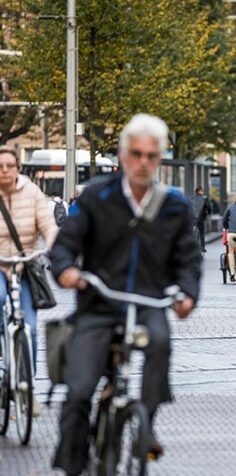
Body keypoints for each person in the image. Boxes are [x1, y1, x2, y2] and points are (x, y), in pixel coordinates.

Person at [51, 114, 201, 475]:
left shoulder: (174, 205)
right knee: (78, 391)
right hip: (99, 304)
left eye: (151, 156)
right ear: (122, 155)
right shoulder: (96, 196)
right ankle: (73, 463)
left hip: (148, 302)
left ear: (160, 159)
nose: (143, 162)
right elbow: (65, 243)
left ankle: (145, 423)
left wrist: (187, 295)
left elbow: (188, 259)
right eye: (136, 154)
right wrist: (66, 270)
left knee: (160, 343)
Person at [0, 145, 57, 417]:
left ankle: (27, 388)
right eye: (0, 166)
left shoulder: (32, 193)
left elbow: (48, 225)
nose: (4, 170)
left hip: (24, 267)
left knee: (30, 330)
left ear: (18, 169)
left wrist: (55, 246)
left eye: (9, 165)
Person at [189, 186, 211, 253]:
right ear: (199, 191)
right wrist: (207, 214)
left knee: (192, 233)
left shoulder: (191, 198)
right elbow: (209, 208)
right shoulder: (204, 198)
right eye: (202, 191)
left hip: (192, 218)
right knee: (201, 232)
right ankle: (202, 247)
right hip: (201, 218)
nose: (202, 192)